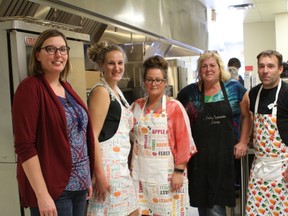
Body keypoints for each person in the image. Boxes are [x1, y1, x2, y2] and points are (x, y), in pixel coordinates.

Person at [12, 29, 95, 216]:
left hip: (79, 186)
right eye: (51, 49)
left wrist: (87, 178)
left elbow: (79, 137)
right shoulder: (30, 88)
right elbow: (25, 146)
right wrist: (42, 194)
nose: (58, 55)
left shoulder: (67, 87)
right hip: (55, 189)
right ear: (38, 55)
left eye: (63, 49)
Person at [177, 51, 251, 216]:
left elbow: (247, 116)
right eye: (204, 66)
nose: (208, 69)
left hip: (225, 156)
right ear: (199, 70)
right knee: (205, 205)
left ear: (219, 68)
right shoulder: (189, 93)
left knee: (216, 207)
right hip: (199, 159)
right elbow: (175, 114)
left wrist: (243, 141)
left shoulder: (235, 88)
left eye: (212, 65)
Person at [130, 55, 197, 215]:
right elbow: (129, 139)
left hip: (166, 178)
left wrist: (179, 172)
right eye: (149, 79)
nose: (154, 84)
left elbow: (184, 143)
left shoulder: (175, 107)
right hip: (140, 179)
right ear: (144, 81)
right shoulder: (136, 106)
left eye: (158, 80)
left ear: (165, 82)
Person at [86, 41, 138, 216]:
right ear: (101, 65)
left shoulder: (116, 91)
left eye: (120, 63)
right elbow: (92, 136)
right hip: (107, 169)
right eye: (111, 63)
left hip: (121, 167)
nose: (117, 68)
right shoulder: (101, 91)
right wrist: (99, 175)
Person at [246, 50, 288, 215]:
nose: (265, 70)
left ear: (280, 70)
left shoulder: (286, 92)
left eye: (271, 66)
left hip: (284, 168)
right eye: (261, 66)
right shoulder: (254, 93)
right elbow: (248, 119)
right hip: (259, 167)